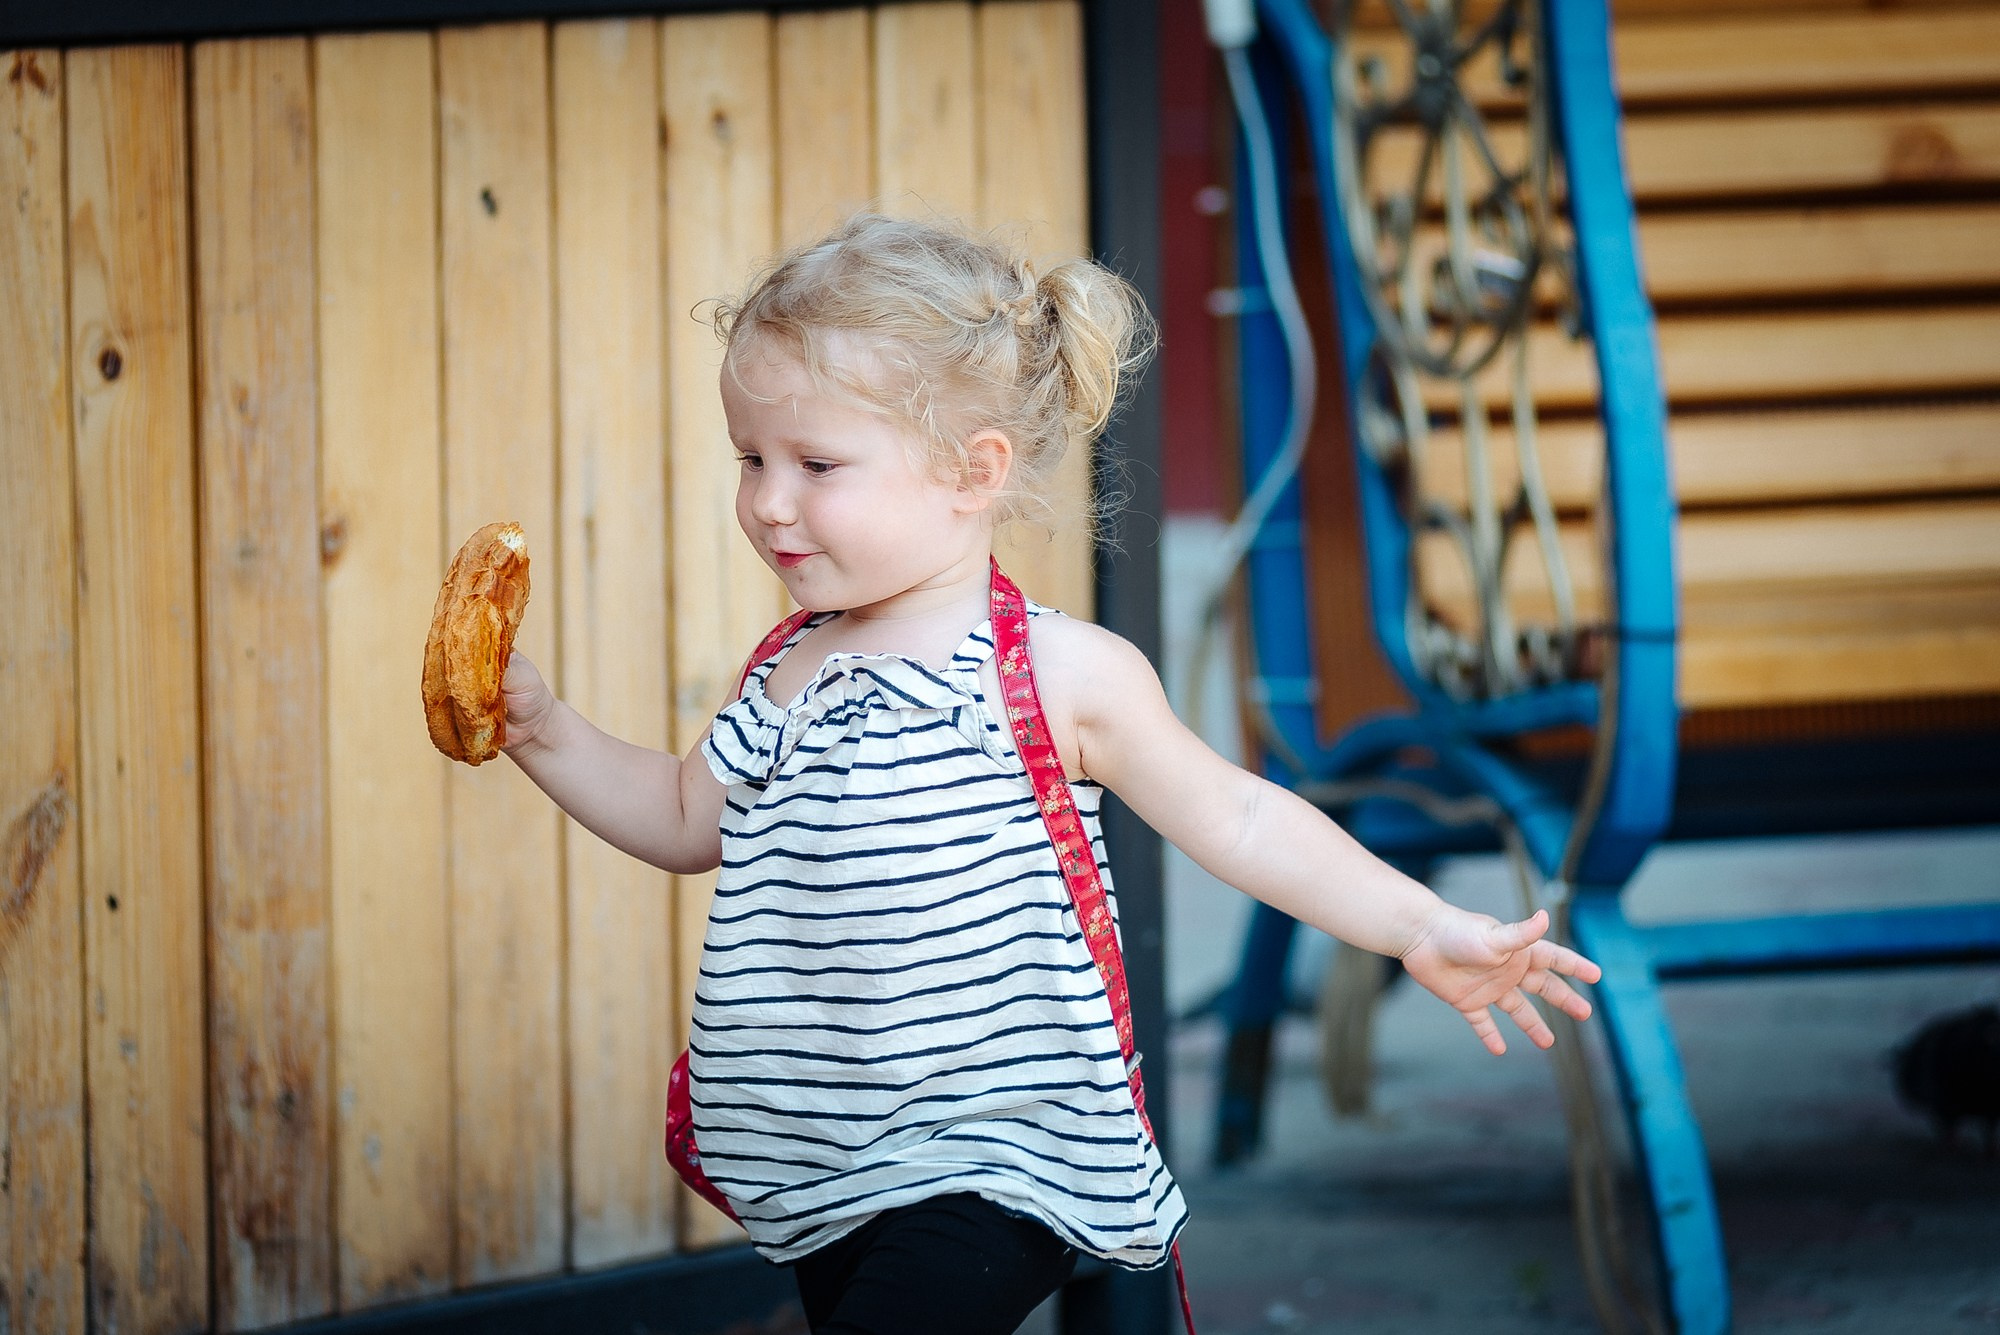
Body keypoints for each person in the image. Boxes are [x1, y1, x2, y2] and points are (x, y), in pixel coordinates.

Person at [497, 213, 1602, 1335]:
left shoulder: (1055, 673)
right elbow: (685, 816)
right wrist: (542, 731)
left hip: (997, 1152)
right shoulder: (788, 671)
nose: (768, 501)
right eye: (752, 459)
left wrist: (1417, 924)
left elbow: (1238, 817)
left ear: (971, 471)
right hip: (828, 1156)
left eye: (815, 465)